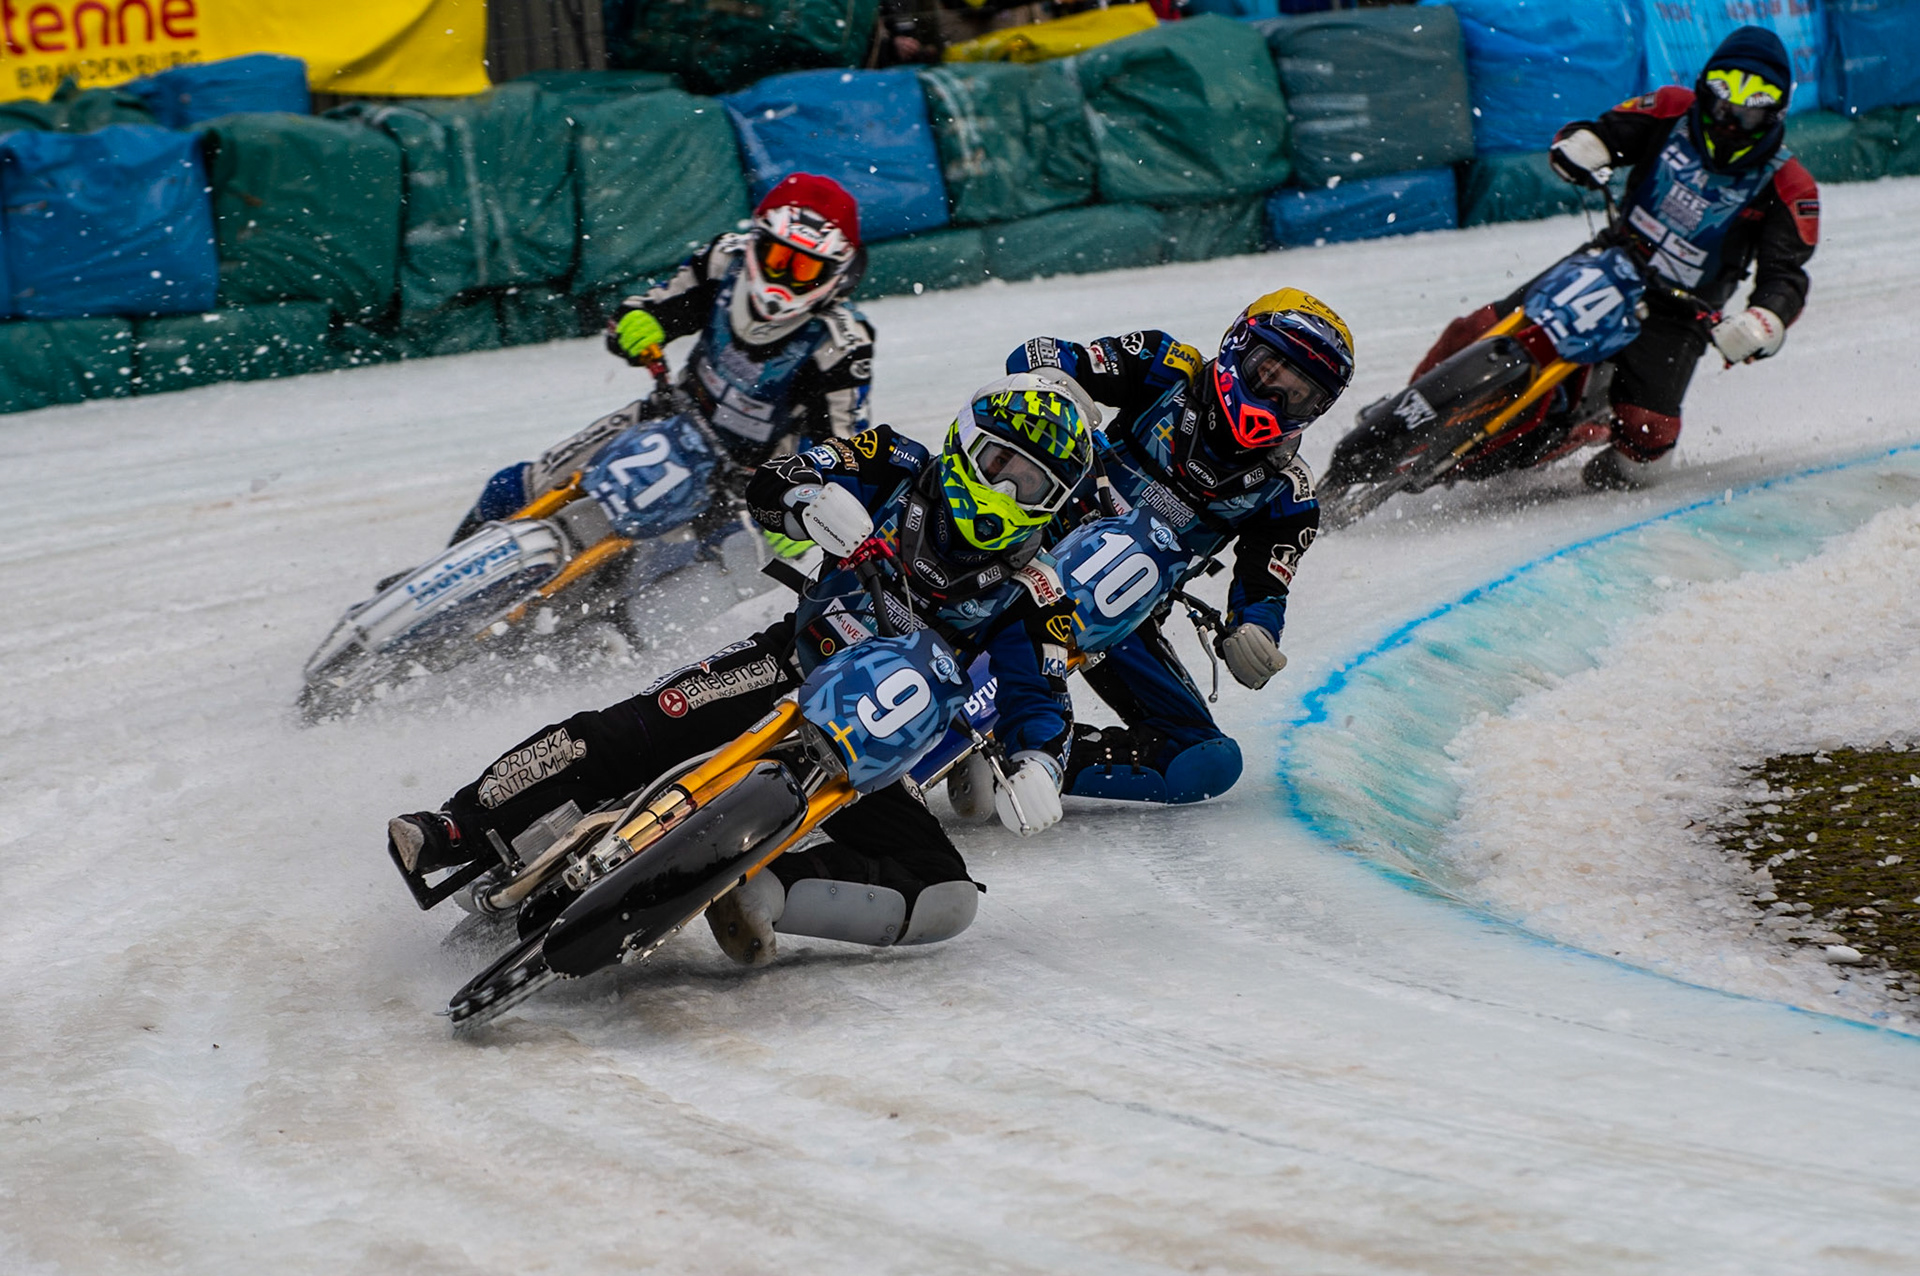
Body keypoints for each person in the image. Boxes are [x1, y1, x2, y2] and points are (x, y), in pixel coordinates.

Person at [387, 375, 1094, 965]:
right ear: (967, 446)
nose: (1008, 487)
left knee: (948, 896)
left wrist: (1040, 763)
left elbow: (1042, 692)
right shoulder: (897, 462)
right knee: (631, 729)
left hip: (874, 754)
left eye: (1032, 483)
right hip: (790, 660)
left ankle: (762, 891)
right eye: (1001, 462)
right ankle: (456, 828)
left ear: (1055, 503)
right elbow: (783, 475)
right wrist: (807, 498)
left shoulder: (1038, 592)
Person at [1419, 26, 1818, 491]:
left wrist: (1765, 319)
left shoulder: (1790, 185)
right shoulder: (1670, 108)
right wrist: (1585, 146)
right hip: (1610, 260)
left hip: (1682, 308)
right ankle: (1408, 407)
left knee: (1650, 434)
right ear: (1705, 92)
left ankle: (1607, 462)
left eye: (1748, 117)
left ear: (1773, 116)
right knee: (1477, 327)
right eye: (1724, 107)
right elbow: (1607, 132)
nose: (1731, 124)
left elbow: (1786, 275)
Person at [1005, 290, 1355, 805]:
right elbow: (1040, 356)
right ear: (1239, 346)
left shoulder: (1288, 492)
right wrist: (1054, 386)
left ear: (1317, 410)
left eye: (1297, 394)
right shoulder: (1167, 367)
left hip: (1119, 614)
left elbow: (1263, 590)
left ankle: (1029, 757)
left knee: (1204, 758)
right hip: (1025, 544)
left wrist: (1255, 630)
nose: (1276, 395)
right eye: (1270, 370)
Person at [448, 172, 877, 543]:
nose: (783, 279)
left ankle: (606, 630)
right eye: (778, 259)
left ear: (836, 274)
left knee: (714, 569)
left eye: (804, 270)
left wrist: (809, 505)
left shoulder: (841, 343)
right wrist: (638, 325)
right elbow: (650, 310)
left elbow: (840, 452)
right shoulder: (722, 261)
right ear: (756, 243)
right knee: (511, 488)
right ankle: (440, 567)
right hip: (668, 416)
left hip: (752, 478)